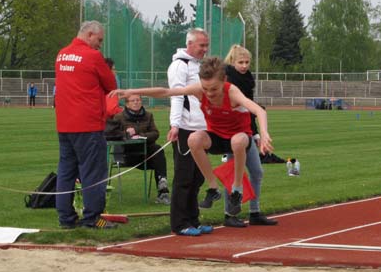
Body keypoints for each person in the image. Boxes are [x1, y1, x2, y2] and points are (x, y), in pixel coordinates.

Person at [111, 56, 273, 235]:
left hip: (239, 137)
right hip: (216, 137)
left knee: (237, 141)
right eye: (205, 88)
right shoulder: (198, 90)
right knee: (193, 139)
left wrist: (264, 133)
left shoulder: (232, 92)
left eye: (214, 89)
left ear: (224, 81)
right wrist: (133, 91)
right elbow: (166, 92)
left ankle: (237, 188)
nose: (209, 94)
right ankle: (213, 187)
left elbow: (258, 110)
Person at [54, 21, 118, 229]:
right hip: (88, 124)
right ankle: (92, 218)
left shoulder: (62, 54)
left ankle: (65, 217)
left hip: (65, 124)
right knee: (93, 173)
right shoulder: (92, 56)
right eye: (99, 40)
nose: (100, 44)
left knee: (66, 171)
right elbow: (111, 85)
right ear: (90, 35)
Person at [164, 28, 212, 236]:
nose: (205, 49)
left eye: (206, 45)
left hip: (202, 129)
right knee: (184, 177)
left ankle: (193, 219)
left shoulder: (200, 66)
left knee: (198, 177)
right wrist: (175, 125)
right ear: (190, 44)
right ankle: (180, 223)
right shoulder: (179, 66)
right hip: (185, 128)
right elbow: (176, 96)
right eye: (201, 45)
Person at [223, 44, 278, 227]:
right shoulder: (227, 80)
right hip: (232, 132)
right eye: (241, 62)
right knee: (233, 173)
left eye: (247, 62)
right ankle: (229, 214)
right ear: (233, 61)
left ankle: (255, 212)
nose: (245, 65)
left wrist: (255, 133)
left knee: (257, 172)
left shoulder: (247, 79)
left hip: (246, 130)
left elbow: (250, 110)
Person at [112, 94, 171, 204]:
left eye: (138, 100)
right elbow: (112, 134)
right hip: (127, 155)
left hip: (146, 155)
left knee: (158, 149)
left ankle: (163, 188)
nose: (136, 102)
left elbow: (155, 133)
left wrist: (140, 135)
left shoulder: (148, 115)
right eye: (133, 100)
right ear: (127, 104)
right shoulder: (119, 117)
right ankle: (162, 185)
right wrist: (126, 134)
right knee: (156, 153)